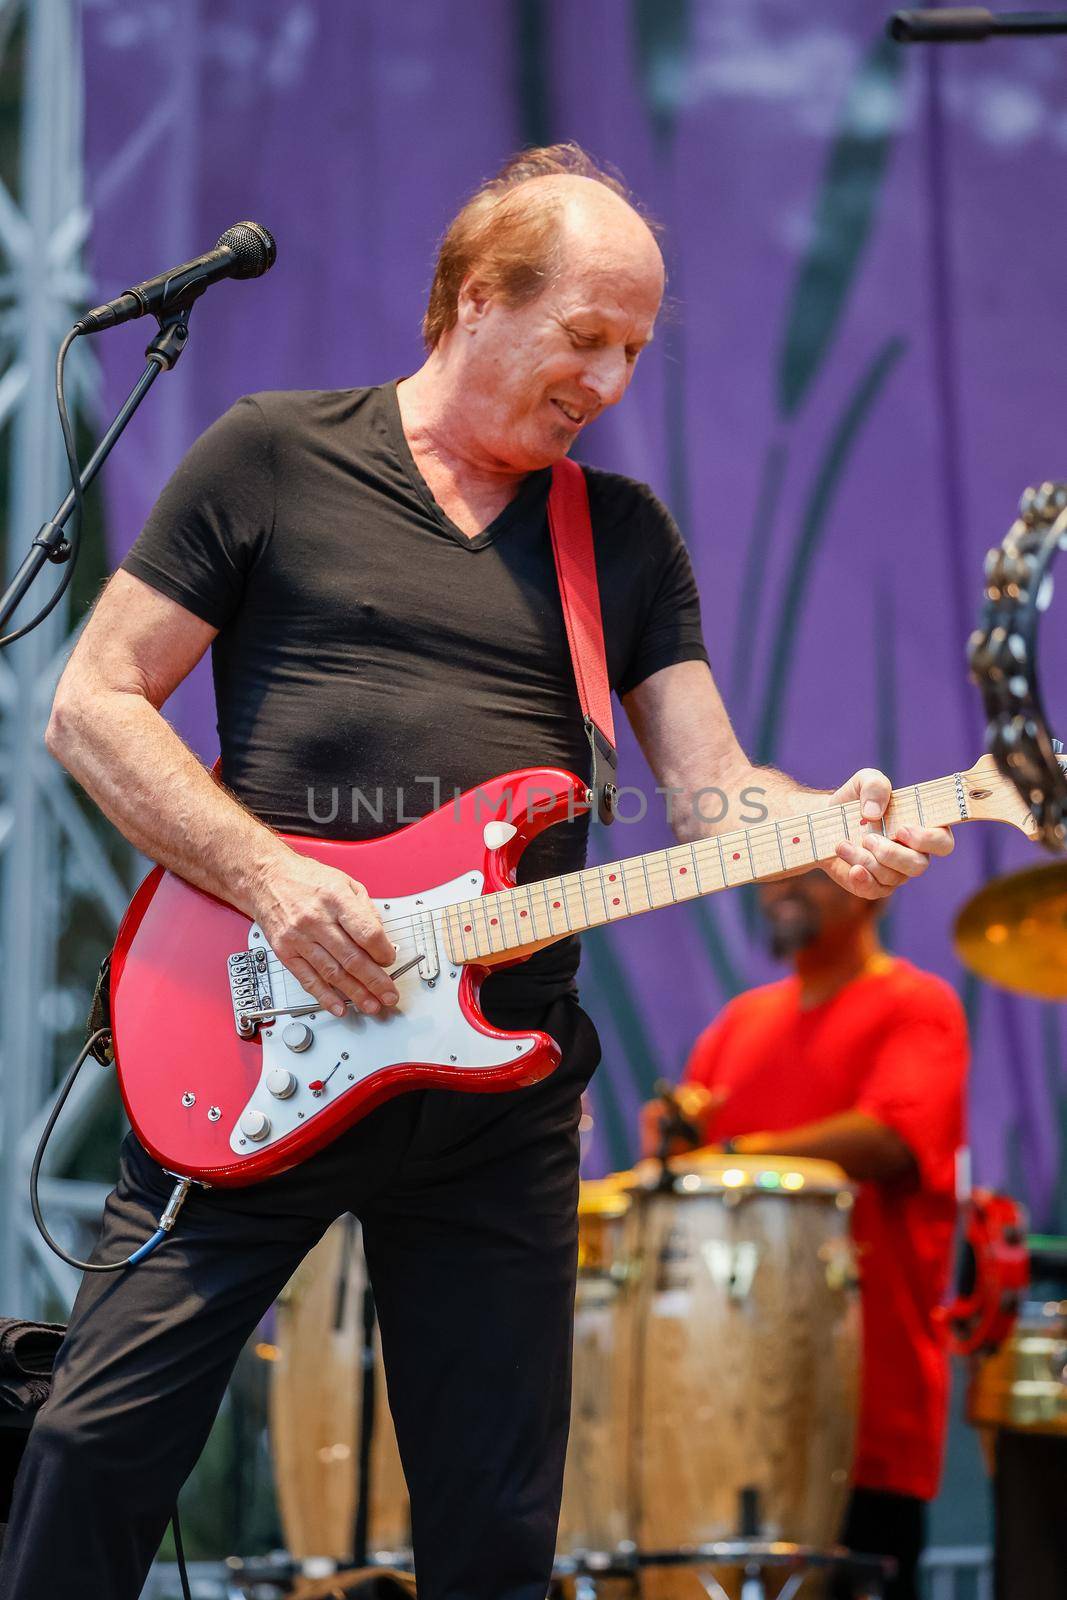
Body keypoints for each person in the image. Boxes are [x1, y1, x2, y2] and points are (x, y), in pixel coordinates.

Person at [0, 144, 954, 1600]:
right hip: (259, 1034)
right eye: (582, 340)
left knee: (493, 1526)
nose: (607, 382)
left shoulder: (617, 536)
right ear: (466, 299)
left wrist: (826, 819)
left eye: (633, 352)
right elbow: (94, 703)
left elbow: (711, 795)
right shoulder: (271, 456)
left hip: (495, 1100)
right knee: (89, 1446)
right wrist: (272, 885)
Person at [642, 871, 968, 1600]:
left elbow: (889, 1136)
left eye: (812, 873)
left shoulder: (916, 1006)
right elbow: (688, 1165)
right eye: (773, 873)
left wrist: (730, 1155)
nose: (781, 888)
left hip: (861, 1404)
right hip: (723, 1407)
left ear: (872, 891)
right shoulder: (739, 1022)